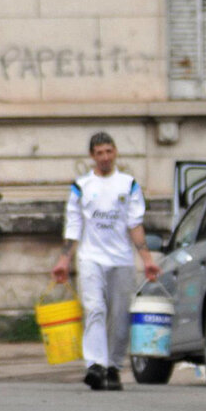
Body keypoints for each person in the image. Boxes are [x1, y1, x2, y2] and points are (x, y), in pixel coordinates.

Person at [52, 132, 160, 391]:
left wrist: (147, 259)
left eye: (109, 152)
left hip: (121, 259)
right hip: (91, 258)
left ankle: (113, 367)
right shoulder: (81, 186)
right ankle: (96, 364)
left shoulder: (128, 184)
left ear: (116, 153)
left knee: (120, 315)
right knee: (95, 309)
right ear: (92, 156)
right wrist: (64, 260)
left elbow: (135, 223)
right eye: (99, 153)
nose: (105, 157)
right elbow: (74, 226)